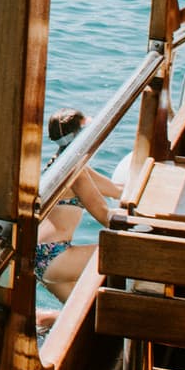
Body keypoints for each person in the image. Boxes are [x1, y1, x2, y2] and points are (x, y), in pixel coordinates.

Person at [33, 108, 123, 303]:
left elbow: (117, 190)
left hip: (40, 256)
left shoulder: (61, 165)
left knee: (85, 313)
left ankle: (43, 322)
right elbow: (105, 216)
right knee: (125, 255)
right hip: (55, 257)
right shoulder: (75, 174)